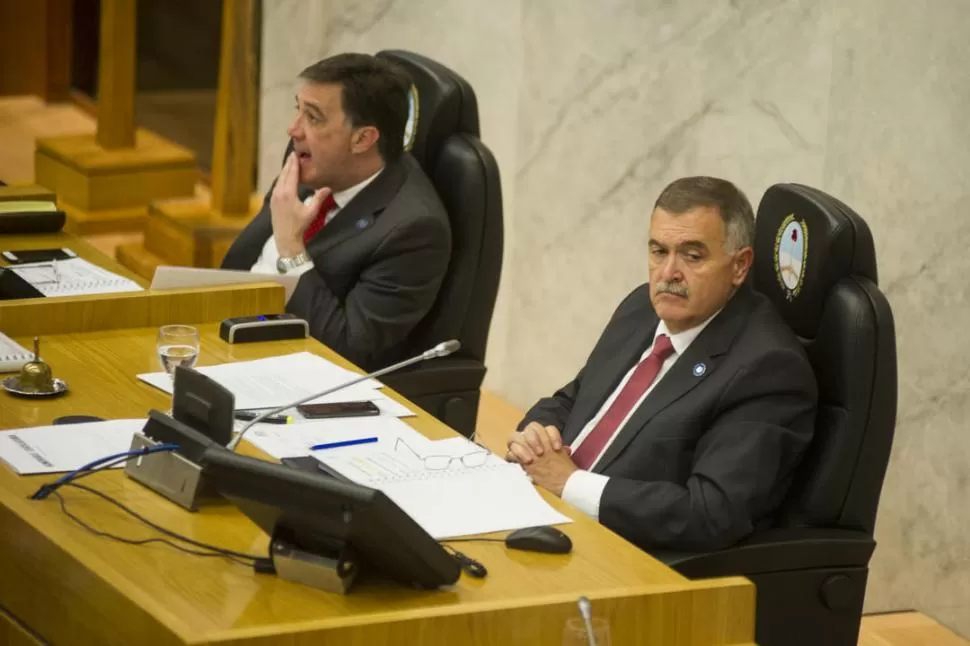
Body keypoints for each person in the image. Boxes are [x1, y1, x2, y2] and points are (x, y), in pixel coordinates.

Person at [507, 177, 817, 552]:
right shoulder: (642, 308)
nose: (668, 273)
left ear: (739, 266)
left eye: (692, 255)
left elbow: (710, 512)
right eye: (658, 251)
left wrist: (570, 485)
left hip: (621, 552)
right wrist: (536, 436)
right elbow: (574, 399)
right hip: (541, 509)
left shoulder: (767, 368)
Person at [221, 53, 451, 371]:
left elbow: (349, 350)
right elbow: (239, 268)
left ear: (362, 139)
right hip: (224, 333)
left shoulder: (413, 229)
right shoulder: (312, 161)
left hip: (291, 376)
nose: (293, 130)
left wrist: (291, 250)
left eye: (313, 117)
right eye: (297, 110)